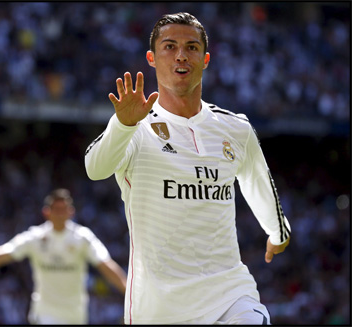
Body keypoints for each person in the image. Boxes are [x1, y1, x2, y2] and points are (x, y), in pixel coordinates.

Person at [84, 12, 291, 325]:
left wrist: (277, 233)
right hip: (158, 309)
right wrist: (122, 124)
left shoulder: (235, 129)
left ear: (205, 59)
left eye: (191, 47)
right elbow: (94, 168)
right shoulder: (134, 127)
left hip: (229, 293)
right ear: (152, 58)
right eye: (169, 46)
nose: (181, 54)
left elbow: (257, 183)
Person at [0, 188, 127, 325]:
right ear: (47, 212)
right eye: (57, 209)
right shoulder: (35, 237)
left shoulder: (83, 237)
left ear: (71, 212)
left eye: (64, 210)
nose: (61, 214)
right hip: (44, 315)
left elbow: (106, 265)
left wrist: (129, 292)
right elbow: (1, 253)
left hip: (75, 316)